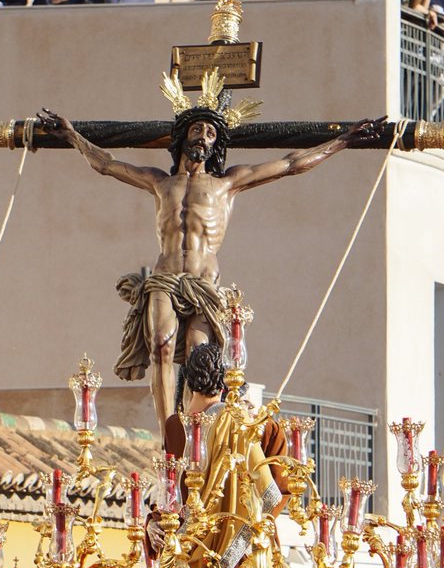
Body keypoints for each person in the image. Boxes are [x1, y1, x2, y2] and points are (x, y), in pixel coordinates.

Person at [38, 96, 382, 436]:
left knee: (199, 357)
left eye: (211, 133)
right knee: (160, 346)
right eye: (197, 130)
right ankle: (169, 435)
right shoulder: (160, 182)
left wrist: (343, 141)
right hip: (165, 278)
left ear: (216, 144)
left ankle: (195, 432)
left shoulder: (227, 184)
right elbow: (106, 163)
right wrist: (71, 135)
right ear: (183, 136)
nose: (203, 137)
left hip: (203, 285)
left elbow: (291, 163)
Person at [159, 343, 287, 568]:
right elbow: (269, 493)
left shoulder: (174, 426)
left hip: (186, 547)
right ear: (225, 381)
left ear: (187, 380)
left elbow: (170, 493)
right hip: (234, 550)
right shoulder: (239, 421)